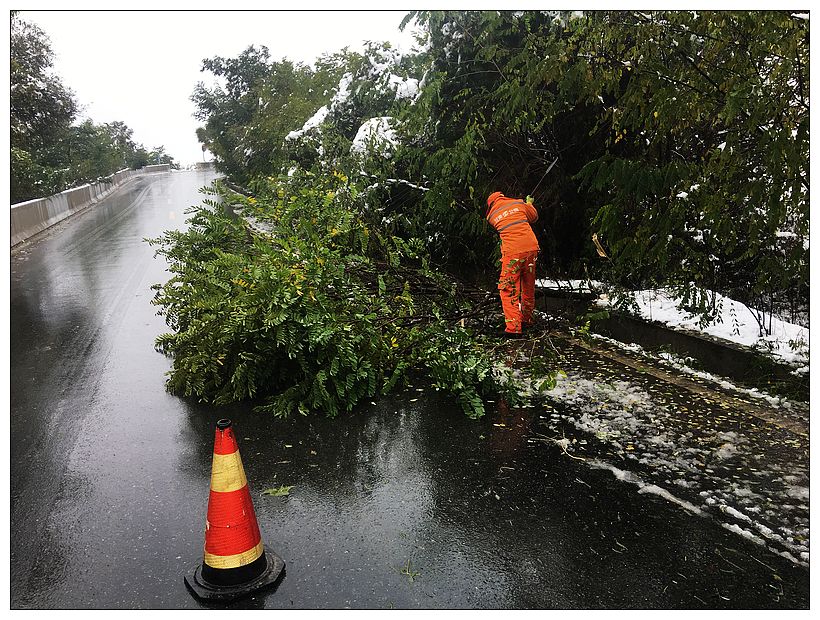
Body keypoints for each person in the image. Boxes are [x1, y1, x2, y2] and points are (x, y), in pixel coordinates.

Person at [485, 191, 539, 336]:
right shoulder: (518, 203)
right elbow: (533, 217)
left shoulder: (491, 216)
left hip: (513, 253)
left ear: (490, 205)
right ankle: (527, 320)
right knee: (528, 286)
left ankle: (513, 328)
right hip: (531, 249)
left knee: (508, 289)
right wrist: (529, 204)